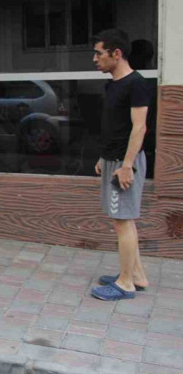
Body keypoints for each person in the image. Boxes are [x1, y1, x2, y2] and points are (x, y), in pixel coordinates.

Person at [90, 28, 151, 301]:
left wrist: (126, 166)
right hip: (112, 158)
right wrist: (103, 157)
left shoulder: (136, 84)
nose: (95, 59)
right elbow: (114, 126)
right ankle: (137, 275)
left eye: (99, 53)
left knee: (123, 222)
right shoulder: (112, 84)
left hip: (125, 162)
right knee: (123, 220)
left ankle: (125, 284)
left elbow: (139, 128)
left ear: (116, 53)